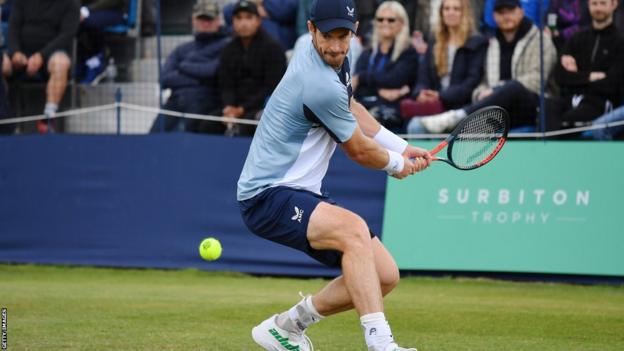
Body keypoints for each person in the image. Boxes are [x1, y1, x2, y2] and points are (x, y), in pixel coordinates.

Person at [237, 0, 432, 350]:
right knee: (353, 229)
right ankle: (381, 344)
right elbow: (357, 149)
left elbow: (350, 107)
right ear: (311, 29)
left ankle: (286, 326)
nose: (337, 45)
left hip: (299, 191)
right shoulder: (316, 81)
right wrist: (397, 165)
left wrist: (401, 147)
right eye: (328, 36)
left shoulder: (340, 59)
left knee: (384, 275)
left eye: (345, 36)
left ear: (354, 32)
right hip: (266, 195)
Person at [408, 0, 557, 133]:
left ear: (521, 12)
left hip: (532, 105)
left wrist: (496, 90)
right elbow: (482, 81)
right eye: (501, 12)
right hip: (497, 109)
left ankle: (458, 117)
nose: (506, 16)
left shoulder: (540, 41)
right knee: (415, 125)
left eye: (510, 11)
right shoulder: (492, 44)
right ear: (494, 16)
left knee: (514, 87)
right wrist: (481, 93)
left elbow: (536, 80)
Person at [199, 0, 286, 136]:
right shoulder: (228, 50)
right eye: (239, 18)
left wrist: (242, 109)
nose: (243, 23)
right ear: (232, 22)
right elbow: (225, 84)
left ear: (258, 20)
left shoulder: (273, 48)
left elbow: (271, 87)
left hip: (262, 108)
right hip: (232, 109)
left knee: (246, 128)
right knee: (207, 126)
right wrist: (229, 108)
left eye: (248, 18)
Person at [149, 0, 229, 133]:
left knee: (185, 131)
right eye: (201, 18)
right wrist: (200, 80)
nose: (205, 23)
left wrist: (184, 67)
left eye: (209, 19)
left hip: (206, 101)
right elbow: (164, 78)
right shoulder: (181, 49)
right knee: (154, 135)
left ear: (218, 20)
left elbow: (213, 72)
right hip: (175, 101)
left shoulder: (227, 46)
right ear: (193, 20)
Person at [401, 0, 487, 120]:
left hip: (461, 107)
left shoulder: (477, 43)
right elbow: (422, 78)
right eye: (446, 9)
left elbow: (471, 83)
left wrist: (440, 96)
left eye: (456, 9)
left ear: (465, 13)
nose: (450, 13)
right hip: (434, 105)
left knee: (416, 126)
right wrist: (421, 93)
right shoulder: (434, 41)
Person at [5, 0, 79, 133]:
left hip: (52, 53)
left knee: (61, 63)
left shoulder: (71, 3)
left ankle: (48, 119)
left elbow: (66, 35)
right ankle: (4, 119)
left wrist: (41, 56)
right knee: (2, 63)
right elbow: (13, 28)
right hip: (22, 54)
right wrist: (15, 52)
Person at [555, 0, 624, 128]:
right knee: (547, 107)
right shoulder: (577, 39)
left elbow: (613, 84)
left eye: (603, 3)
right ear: (588, 5)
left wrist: (576, 77)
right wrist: (590, 76)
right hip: (571, 99)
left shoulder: (619, 42)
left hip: (600, 103)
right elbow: (559, 76)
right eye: (594, 3)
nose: (598, 8)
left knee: (567, 120)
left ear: (614, 5)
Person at [352, 1, 420, 130]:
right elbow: (355, 88)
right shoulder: (367, 52)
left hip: (393, 114)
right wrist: (379, 91)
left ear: (401, 23)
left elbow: (395, 79)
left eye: (391, 20)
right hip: (365, 107)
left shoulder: (409, 53)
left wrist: (362, 78)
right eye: (380, 19)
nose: (385, 23)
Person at [77, 0, 128, 82]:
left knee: (88, 21)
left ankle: (96, 62)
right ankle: (80, 63)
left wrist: (86, 10)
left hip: (113, 11)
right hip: (87, 11)